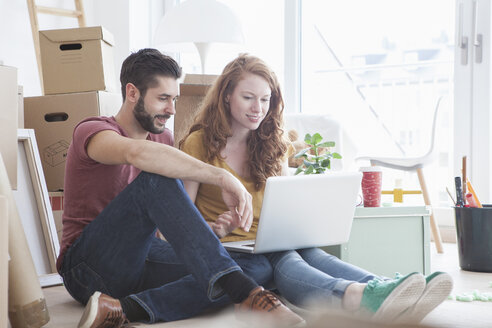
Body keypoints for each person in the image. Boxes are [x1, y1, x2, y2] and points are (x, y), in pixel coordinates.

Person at [180, 53, 453, 324]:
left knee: (310, 253)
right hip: (229, 246)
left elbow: (286, 203)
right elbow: (180, 222)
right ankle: (360, 295)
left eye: (265, 99)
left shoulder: (272, 143)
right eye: (248, 97)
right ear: (226, 95)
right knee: (286, 258)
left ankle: (384, 288)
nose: (258, 108)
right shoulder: (198, 143)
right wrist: (216, 228)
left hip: (270, 240)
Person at [57, 48, 306, 328]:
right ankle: (246, 295)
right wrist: (223, 177)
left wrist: (208, 235)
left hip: (141, 260)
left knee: (254, 267)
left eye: (174, 98)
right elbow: (136, 154)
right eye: (163, 98)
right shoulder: (93, 131)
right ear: (132, 93)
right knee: (155, 179)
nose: (172, 109)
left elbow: (164, 229)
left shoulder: (163, 138)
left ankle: (125, 310)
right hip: (86, 269)